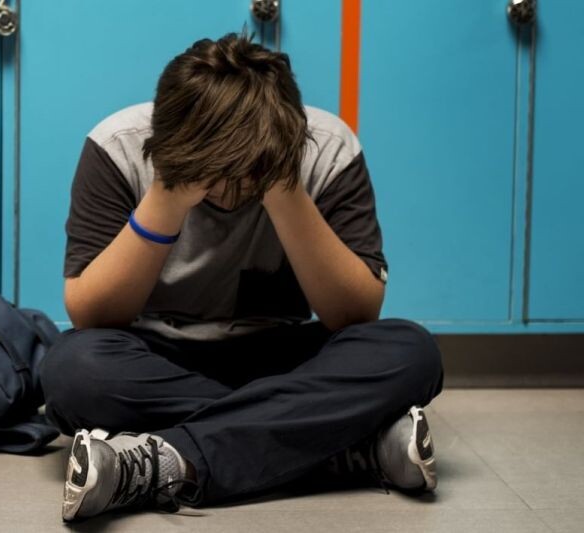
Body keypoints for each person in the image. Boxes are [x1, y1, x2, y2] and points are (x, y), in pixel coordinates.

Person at [40, 32, 444, 522]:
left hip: (280, 356)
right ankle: (339, 445)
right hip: (157, 356)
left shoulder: (327, 148)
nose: (230, 192)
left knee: (411, 353)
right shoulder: (118, 146)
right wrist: (168, 197)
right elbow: (93, 314)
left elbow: (354, 314)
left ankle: (160, 462)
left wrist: (283, 188)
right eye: (216, 169)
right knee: (73, 371)